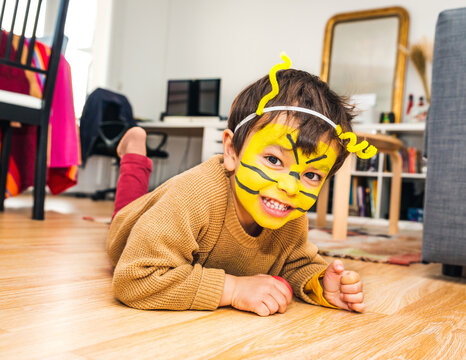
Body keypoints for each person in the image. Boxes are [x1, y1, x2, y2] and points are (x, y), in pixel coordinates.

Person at [107, 64, 367, 316]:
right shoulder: (194, 195)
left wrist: (320, 284)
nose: (289, 186)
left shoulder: (289, 210)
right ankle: (134, 152)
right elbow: (136, 278)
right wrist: (232, 289)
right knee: (129, 206)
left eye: (310, 175)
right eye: (274, 160)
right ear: (231, 151)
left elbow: (296, 263)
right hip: (135, 229)